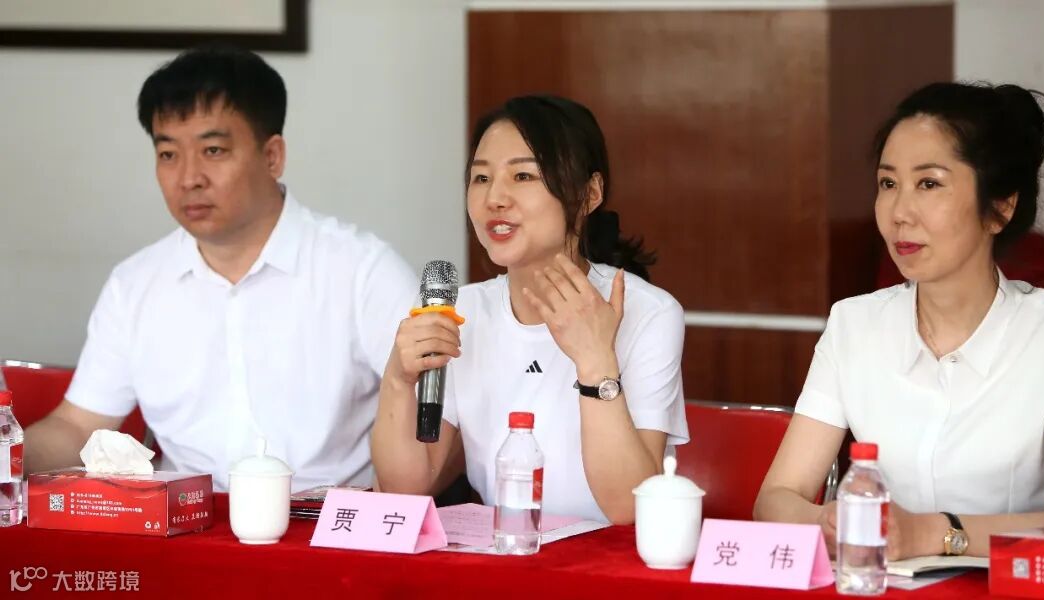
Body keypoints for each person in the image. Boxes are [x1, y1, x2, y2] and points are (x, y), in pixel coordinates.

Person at [24, 46, 417, 492]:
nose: (188, 177)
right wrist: (12, 455)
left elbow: (437, 424)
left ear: (272, 156)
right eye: (168, 154)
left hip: (327, 521)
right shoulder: (134, 285)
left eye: (213, 150)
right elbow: (78, 426)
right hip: (186, 521)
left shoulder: (362, 272)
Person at [755, 82, 1044, 558]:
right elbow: (777, 497)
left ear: (1000, 207)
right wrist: (824, 520)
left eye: (929, 184)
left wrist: (933, 534)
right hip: (878, 583)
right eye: (888, 184)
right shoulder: (854, 325)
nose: (899, 213)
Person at [371, 95, 689, 524]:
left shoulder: (648, 313)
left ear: (589, 193)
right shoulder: (459, 311)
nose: (495, 198)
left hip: (602, 558)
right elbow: (402, 490)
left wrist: (595, 363)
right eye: (481, 178)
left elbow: (629, 508)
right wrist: (397, 378)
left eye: (523, 175)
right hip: (502, 550)